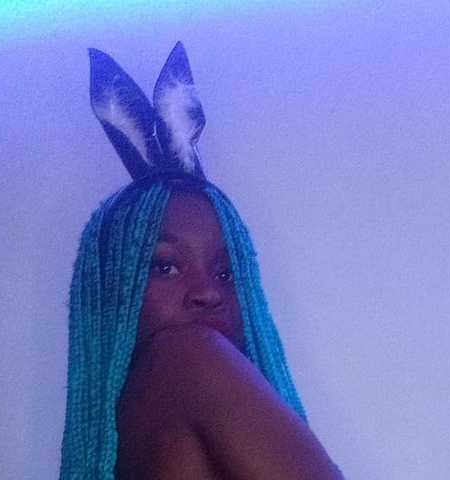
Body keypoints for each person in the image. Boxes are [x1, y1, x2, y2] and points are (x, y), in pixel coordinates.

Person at [59, 42, 342, 479]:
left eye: (227, 272)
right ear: (111, 289)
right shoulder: (190, 356)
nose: (208, 292)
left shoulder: (117, 432)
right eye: (165, 266)